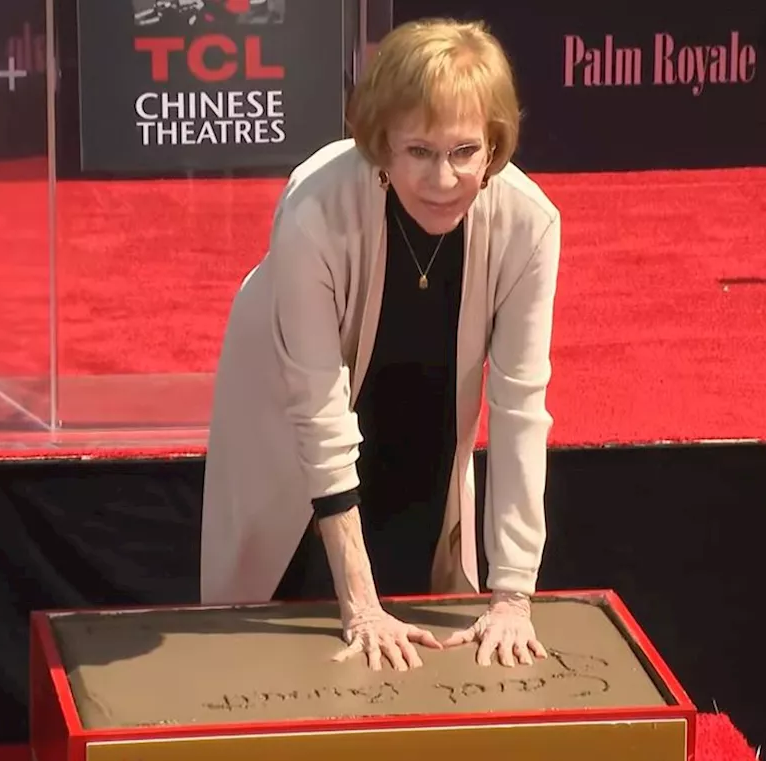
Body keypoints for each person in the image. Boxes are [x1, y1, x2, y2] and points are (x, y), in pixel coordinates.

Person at [200, 17, 561, 673]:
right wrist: (360, 605)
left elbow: (519, 410)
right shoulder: (314, 205)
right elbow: (316, 410)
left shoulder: (530, 224)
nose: (443, 178)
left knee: (418, 553)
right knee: (289, 613)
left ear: (494, 147)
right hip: (288, 404)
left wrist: (513, 595)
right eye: (418, 151)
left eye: (464, 152)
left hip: (421, 397)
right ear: (381, 144)